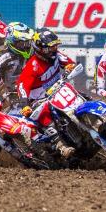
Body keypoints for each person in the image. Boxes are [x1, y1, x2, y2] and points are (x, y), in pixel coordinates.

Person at [16, 29, 78, 158]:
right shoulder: (32, 66)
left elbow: (70, 63)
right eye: (51, 47)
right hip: (40, 99)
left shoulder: (57, 55)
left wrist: (70, 66)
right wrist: (24, 105)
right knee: (43, 115)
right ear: (41, 49)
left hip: (59, 89)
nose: (54, 49)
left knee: (78, 95)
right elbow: (22, 86)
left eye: (55, 46)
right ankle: (61, 146)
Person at [0, 22, 35, 102]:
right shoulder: (3, 58)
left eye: (28, 42)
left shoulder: (34, 51)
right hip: (15, 100)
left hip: (36, 92)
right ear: (12, 42)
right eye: (22, 43)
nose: (26, 46)